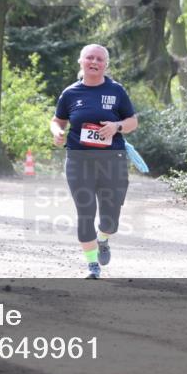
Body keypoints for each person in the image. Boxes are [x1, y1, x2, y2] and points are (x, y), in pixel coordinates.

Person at [49, 44, 138, 279]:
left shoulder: (116, 91)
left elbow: (132, 121)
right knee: (85, 212)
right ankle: (92, 265)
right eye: (89, 57)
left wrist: (116, 126)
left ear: (105, 64)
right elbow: (57, 120)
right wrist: (57, 132)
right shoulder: (70, 93)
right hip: (79, 159)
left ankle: (103, 238)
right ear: (81, 62)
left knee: (110, 219)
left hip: (112, 160)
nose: (94, 62)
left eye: (99, 59)